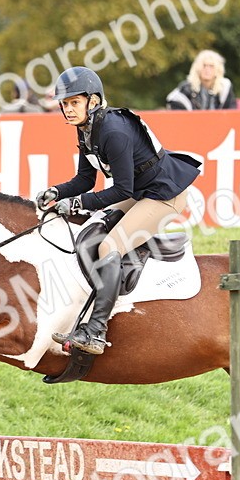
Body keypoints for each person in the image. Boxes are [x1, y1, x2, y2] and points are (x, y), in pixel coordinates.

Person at [35, 66, 202, 356]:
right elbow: (85, 180)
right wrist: (57, 192)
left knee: (109, 246)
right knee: (92, 229)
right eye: (65, 104)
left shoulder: (113, 131)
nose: (68, 109)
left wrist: (77, 203)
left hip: (164, 194)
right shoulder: (87, 129)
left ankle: (96, 331)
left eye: (74, 102)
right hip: (140, 191)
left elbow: (122, 190)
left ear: (93, 101)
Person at [165, 50, 236, 111]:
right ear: (197, 68)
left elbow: (231, 114)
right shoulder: (185, 90)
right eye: (204, 65)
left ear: (218, 70)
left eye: (211, 66)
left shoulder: (224, 89)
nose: (207, 69)